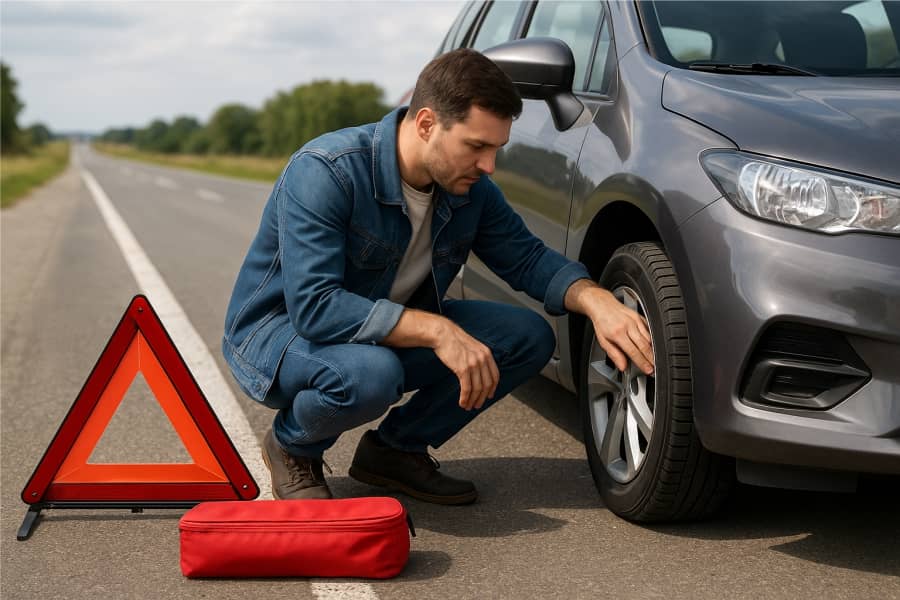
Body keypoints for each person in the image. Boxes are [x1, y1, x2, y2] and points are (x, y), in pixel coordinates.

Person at [222, 48, 654, 504]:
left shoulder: (471, 191)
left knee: (526, 337)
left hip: (380, 331)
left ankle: (394, 451)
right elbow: (316, 308)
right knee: (372, 374)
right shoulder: (327, 171)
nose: (488, 166)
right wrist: (438, 331)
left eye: (496, 149)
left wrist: (594, 299)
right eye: (476, 146)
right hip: (280, 334)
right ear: (427, 124)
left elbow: (526, 259)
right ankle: (293, 446)